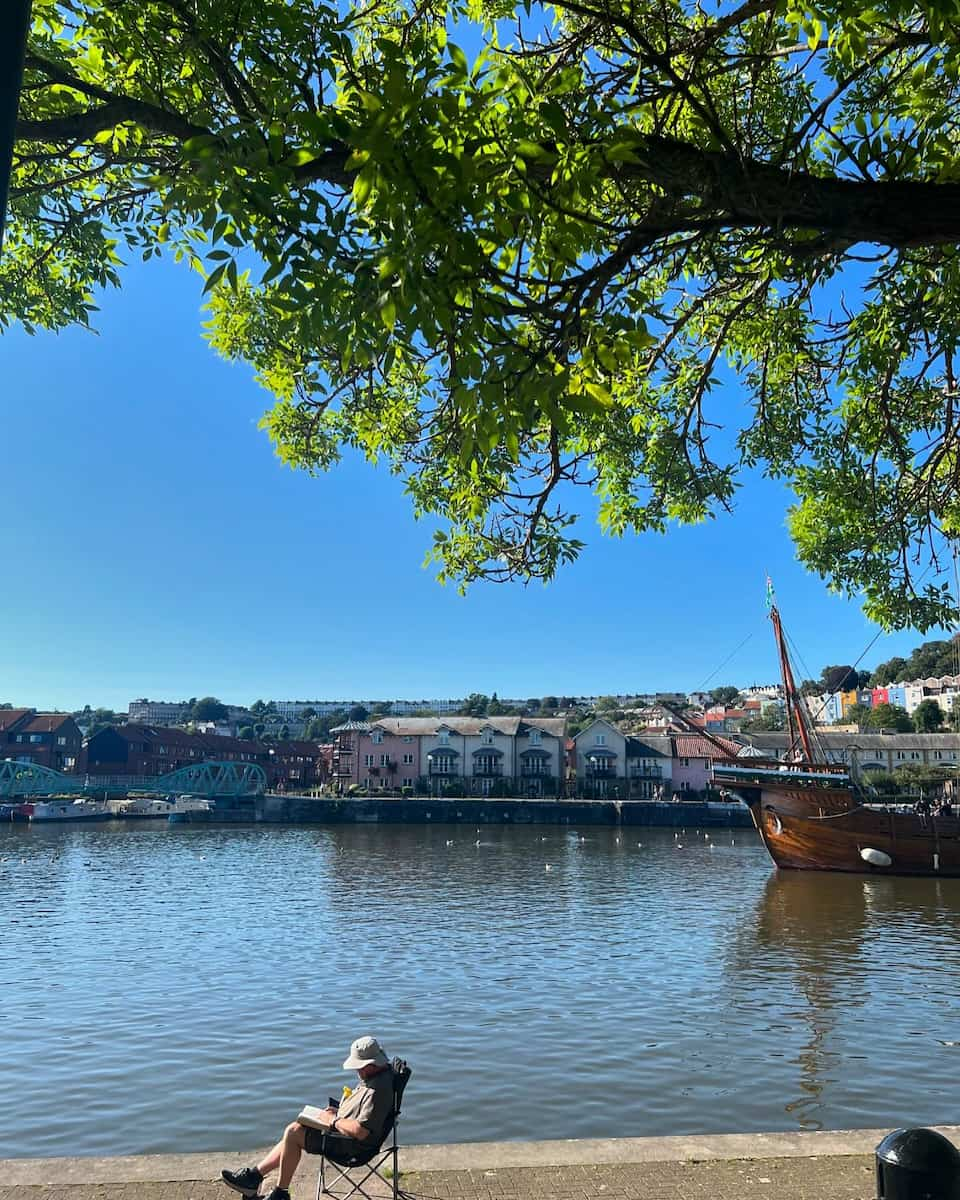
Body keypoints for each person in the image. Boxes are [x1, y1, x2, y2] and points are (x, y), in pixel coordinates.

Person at [221, 1036, 395, 1200]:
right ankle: (253, 1177)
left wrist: (333, 1120)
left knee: (293, 1132)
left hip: (353, 1148)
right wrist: (336, 1112)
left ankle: (280, 1193)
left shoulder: (377, 1091)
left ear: (371, 1064)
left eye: (360, 1067)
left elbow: (361, 1131)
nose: (357, 1070)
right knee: (297, 1128)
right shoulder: (377, 1076)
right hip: (343, 1133)